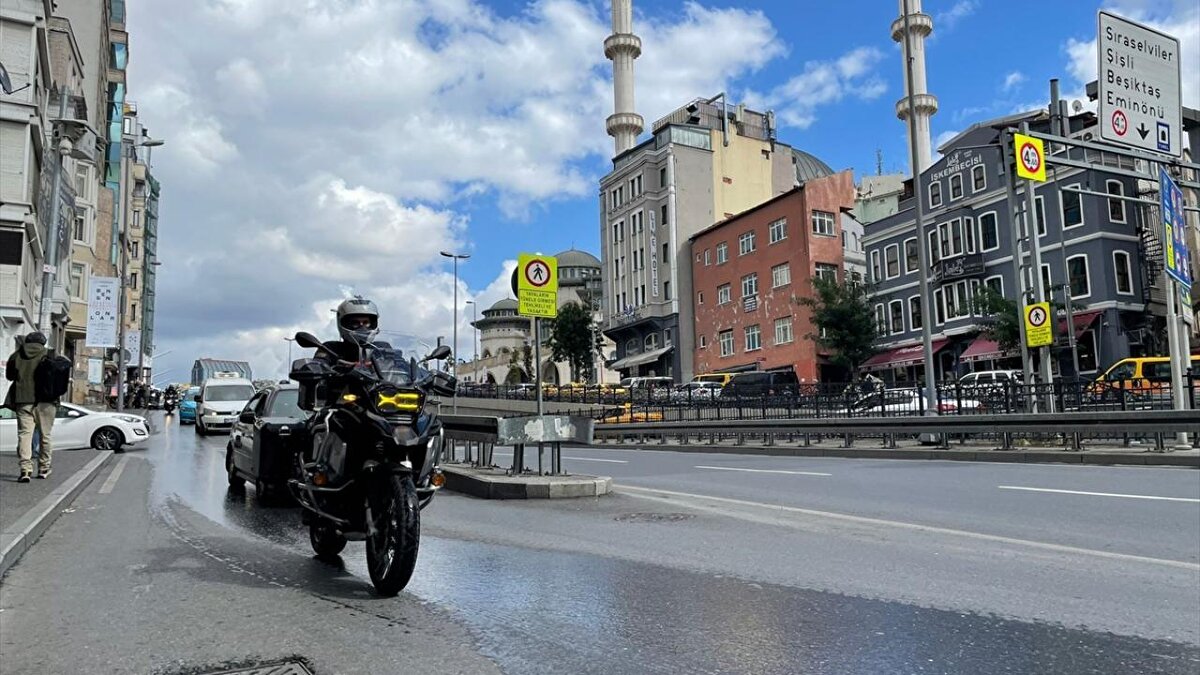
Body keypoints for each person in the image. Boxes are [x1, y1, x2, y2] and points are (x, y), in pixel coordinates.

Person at [3, 332, 57, 482]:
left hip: (23, 399)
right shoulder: (50, 354)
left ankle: (25, 470)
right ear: (43, 342)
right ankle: (44, 468)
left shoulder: (16, 355)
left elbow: (10, 376)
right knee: (45, 435)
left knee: (25, 435)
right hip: (46, 401)